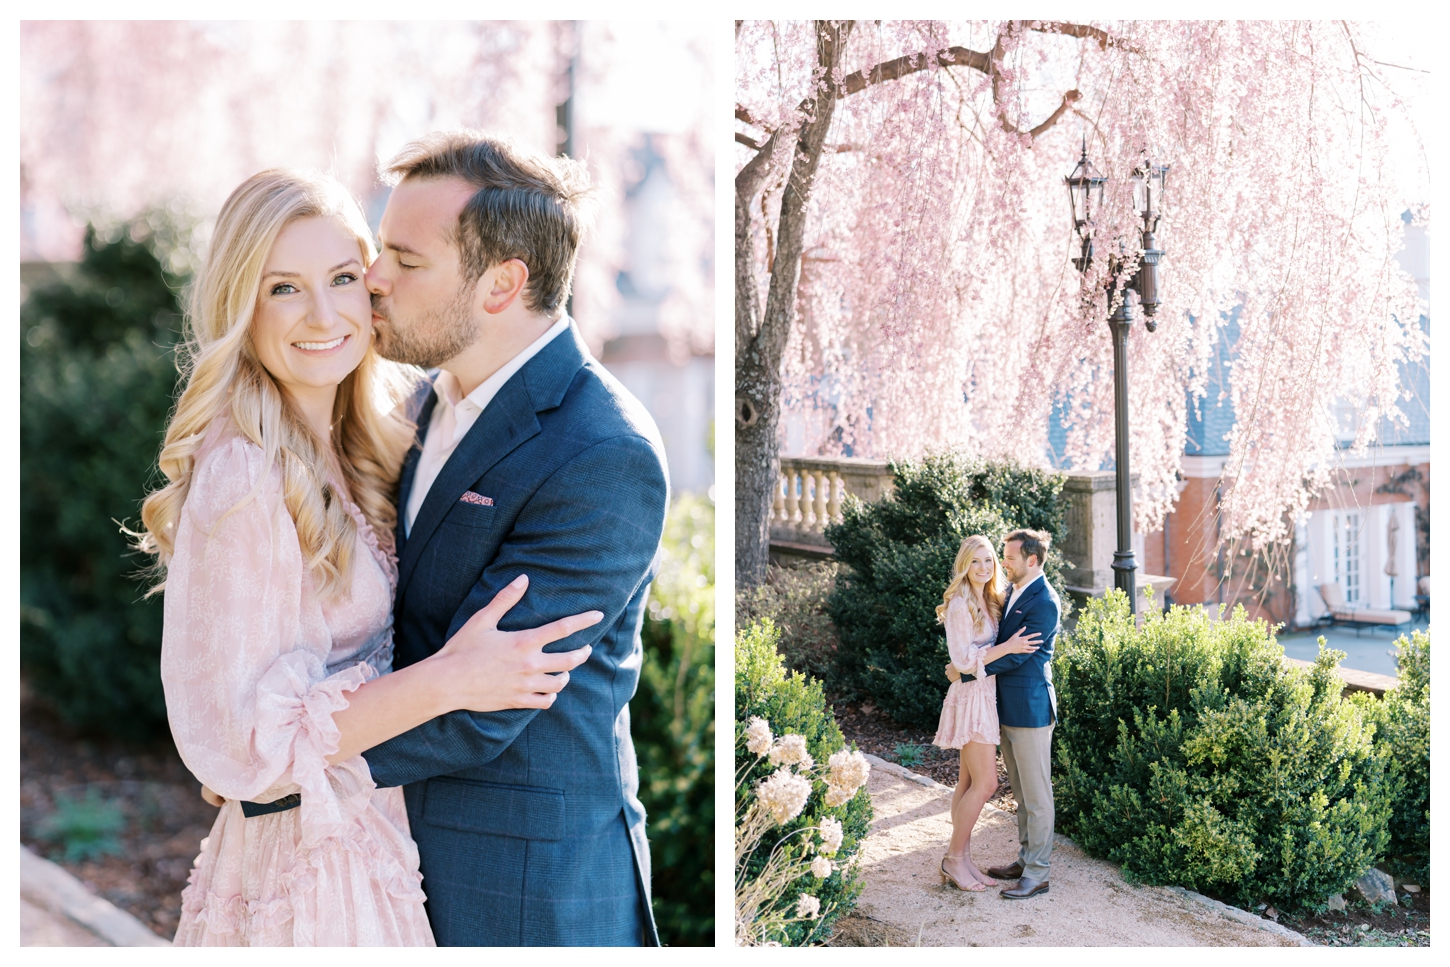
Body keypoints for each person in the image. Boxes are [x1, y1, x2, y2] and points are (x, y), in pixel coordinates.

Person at [138, 169, 601, 946]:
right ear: (240, 303)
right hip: (302, 869)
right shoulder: (243, 473)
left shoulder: (372, 440)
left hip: (365, 835)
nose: (323, 315)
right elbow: (251, 739)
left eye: (343, 278)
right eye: (283, 288)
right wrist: (454, 676)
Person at [356, 131, 670, 946]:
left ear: (502, 283)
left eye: (406, 260)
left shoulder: (604, 452)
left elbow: (486, 706)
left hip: (525, 894)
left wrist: (282, 765)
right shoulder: (424, 405)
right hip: (389, 857)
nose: (373, 279)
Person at [957, 528, 1062, 900]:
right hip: (1007, 707)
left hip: (1031, 709)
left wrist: (968, 669)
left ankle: (1037, 873)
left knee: (1037, 796)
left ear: (1031, 560)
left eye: (1010, 557)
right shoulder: (1014, 591)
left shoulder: (1044, 601)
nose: (1004, 563)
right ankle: (1025, 857)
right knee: (1020, 792)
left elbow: (1019, 655)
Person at [933, 535, 1040, 891]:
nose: (984, 567)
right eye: (976, 561)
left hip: (985, 694)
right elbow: (963, 660)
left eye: (989, 560)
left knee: (967, 782)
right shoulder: (961, 603)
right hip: (971, 699)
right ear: (964, 565)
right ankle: (952, 859)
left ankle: (963, 859)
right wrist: (1006, 648)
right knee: (987, 783)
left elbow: (968, 659)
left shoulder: (991, 598)